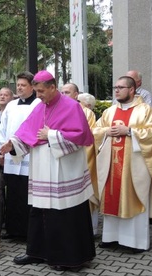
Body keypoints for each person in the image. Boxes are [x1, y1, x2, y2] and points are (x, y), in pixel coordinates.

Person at [0, 70, 96, 270]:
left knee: (64, 213)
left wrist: (51, 135)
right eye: (36, 91)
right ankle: (36, 252)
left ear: (53, 87)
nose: (39, 95)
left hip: (64, 170)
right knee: (39, 210)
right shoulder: (40, 107)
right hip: (42, 168)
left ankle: (68, 257)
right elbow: (27, 132)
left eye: (42, 91)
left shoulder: (72, 106)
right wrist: (13, 144)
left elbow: (81, 138)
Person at [93, 76, 152, 253]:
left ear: (131, 90)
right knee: (111, 197)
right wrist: (106, 131)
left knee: (133, 197)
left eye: (121, 87)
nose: (116, 90)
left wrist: (130, 131)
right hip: (111, 164)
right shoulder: (110, 111)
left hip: (135, 165)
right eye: (115, 87)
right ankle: (110, 238)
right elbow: (96, 131)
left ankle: (134, 242)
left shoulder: (145, 110)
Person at [0, 72, 41, 240]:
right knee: (12, 193)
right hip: (10, 158)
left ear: (32, 87)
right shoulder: (11, 105)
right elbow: (3, 129)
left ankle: (29, 231)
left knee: (27, 195)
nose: (19, 87)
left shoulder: (38, 104)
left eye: (23, 85)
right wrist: (1, 152)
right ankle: (13, 229)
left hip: (30, 157)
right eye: (18, 84)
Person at [63, 83, 99, 235]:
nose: (64, 94)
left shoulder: (86, 113)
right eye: (62, 92)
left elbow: (90, 137)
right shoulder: (58, 111)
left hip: (81, 158)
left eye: (68, 92)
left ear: (76, 94)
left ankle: (89, 229)